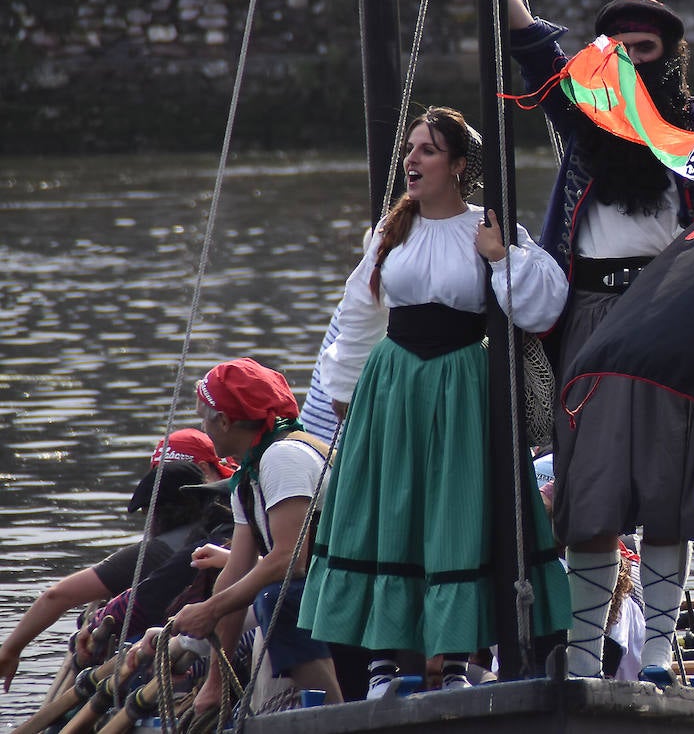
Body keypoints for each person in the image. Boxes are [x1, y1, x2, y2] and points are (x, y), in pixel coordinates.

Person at [458, 0, 694, 682]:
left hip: (676, 317)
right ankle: (591, 656)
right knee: (586, 501)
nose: (631, 60)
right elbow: (533, 50)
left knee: (666, 494)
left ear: (670, 59)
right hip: (591, 318)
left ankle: (657, 653)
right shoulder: (586, 122)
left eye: (646, 50)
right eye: (618, 50)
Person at [297, 106, 571, 696]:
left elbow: (543, 307)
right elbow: (358, 317)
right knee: (387, 517)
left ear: (457, 165)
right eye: (410, 149)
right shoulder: (389, 232)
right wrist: (346, 399)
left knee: (455, 518)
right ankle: (380, 667)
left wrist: (500, 256)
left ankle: (448, 666)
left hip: (462, 387)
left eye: (426, 150)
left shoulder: (491, 229)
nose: (411, 160)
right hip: (392, 388)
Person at [166, 357, 343, 710]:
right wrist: (216, 681)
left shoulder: (282, 458)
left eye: (205, 418)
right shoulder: (248, 476)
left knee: (278, 597)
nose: (203, 425)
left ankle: (337, 713)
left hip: (354, 584)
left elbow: (288, 561)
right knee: (262, 592)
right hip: (327, 589)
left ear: (226, 421)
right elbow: (236, 572)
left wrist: (209, 609)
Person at [0, 429, 234, 692]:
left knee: (100, 637)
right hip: (202, 640)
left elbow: (57, 595)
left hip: (195, 650)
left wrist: (10, 650)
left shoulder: (175, 548)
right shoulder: (240, 510)